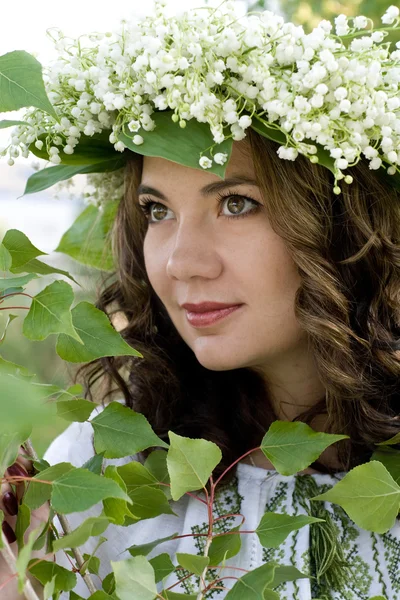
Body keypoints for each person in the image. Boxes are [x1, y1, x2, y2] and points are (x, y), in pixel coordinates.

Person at [1, 2, 400, 598]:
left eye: (236, 203)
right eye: (157, 211)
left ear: (343, 221)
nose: (180, 262)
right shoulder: (102, 471)